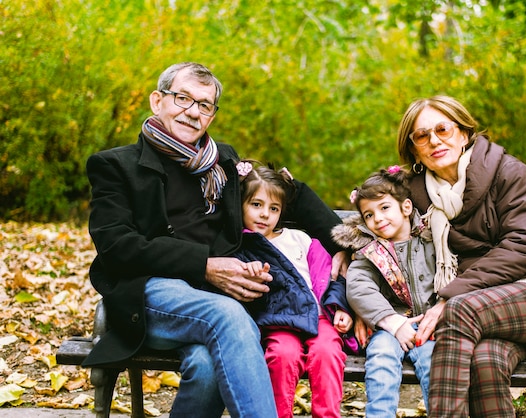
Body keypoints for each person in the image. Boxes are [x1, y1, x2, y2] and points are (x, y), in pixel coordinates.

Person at [82, 62, 348, 418]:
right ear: (156, 101)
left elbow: (290, 194)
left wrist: (344, 245)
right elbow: (117, 247)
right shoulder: (116, 166)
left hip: (213, 300)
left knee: (208, 366)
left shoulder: (224, 160)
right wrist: (204, 266)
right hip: (150, 295)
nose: (192, 112)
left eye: (204, 105)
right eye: (182, 98)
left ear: (211, 115)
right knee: (230, 316)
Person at [396, 95, 526, 417]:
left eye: (443, 129)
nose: (434, 140)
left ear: (464, 132)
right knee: (485, 361)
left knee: (458, 310)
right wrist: (347, 250)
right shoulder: (412, 195)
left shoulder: (507, 172)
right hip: (481, 314)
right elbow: (375, 218)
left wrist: (450, 297)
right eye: (422, 135)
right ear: (413, 149)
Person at [233, 161, 357, 418]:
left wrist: (341, 308)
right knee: (282, 355)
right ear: (240, 205)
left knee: (327, 351)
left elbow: (330, 276)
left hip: (319, 316)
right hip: (279, 322)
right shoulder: (241, 248)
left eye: (274, 208)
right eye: (256, 205)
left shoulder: (299, 239)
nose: (265, 214)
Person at [331, 166, 438, 416]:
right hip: (387, 327)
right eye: (368, 215)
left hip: (428, 326)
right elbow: (358, 287)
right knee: (380, 362)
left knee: (436, 366)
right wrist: (392, 322)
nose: (377, 218)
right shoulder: (370, 252)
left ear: (406, 207)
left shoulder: (429, 240)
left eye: (384, 208)